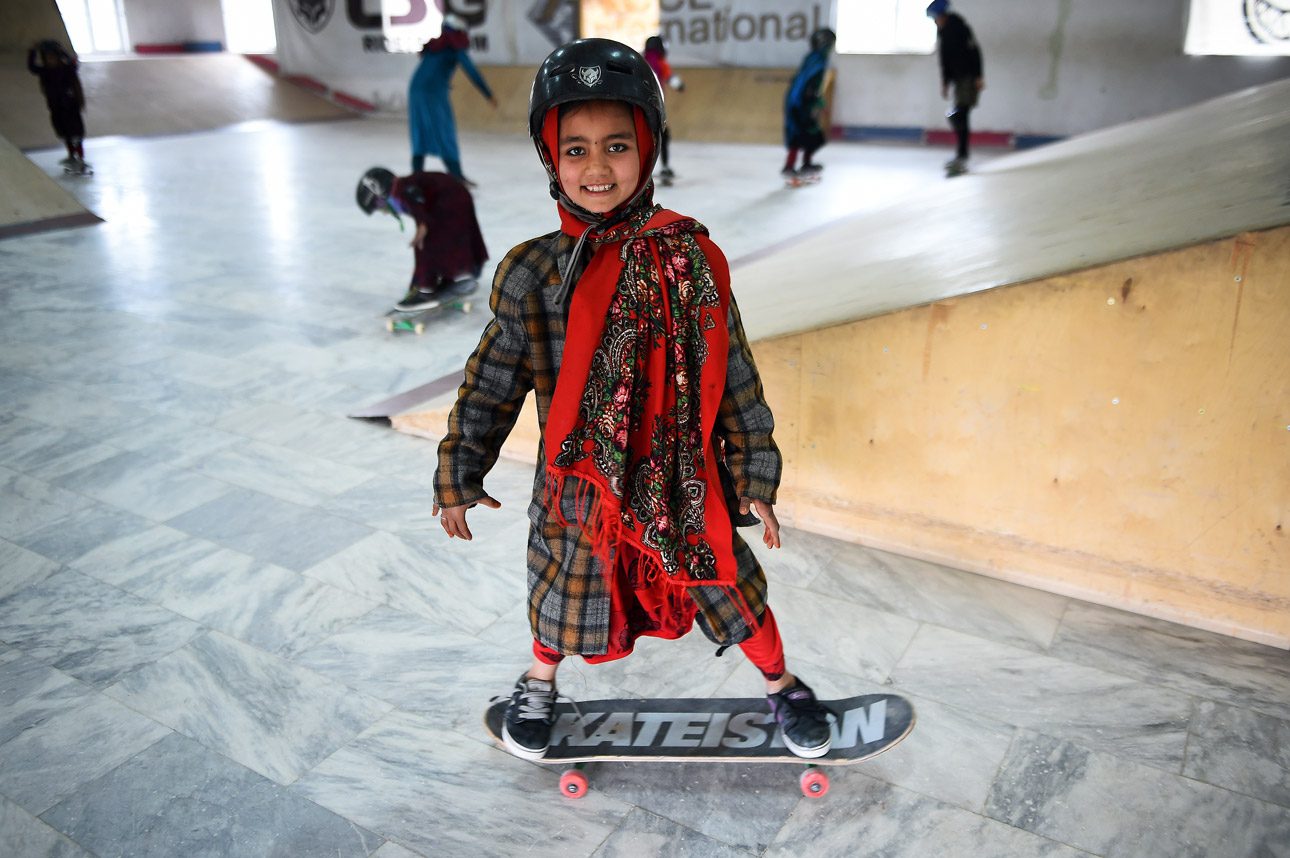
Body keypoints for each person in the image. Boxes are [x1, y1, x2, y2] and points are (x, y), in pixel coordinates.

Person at [432, 38, 834, 762]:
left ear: (647, 149)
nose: (597, 167)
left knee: (728, 585)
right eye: (576, 148)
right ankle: (538, 680)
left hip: (682, 479)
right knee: (563, 591)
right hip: (576, 488)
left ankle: (782, 684)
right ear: (550, 157)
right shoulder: (533, 272)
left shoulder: (688, 257)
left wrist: (755, 478)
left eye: (617, 146)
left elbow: (735, 376)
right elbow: (491, 381)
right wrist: (460, 471)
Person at [356, 167, 488, 311]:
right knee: (444, 240)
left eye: (378, 204)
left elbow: (419, 204)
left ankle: (425, 290)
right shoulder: (403, 186)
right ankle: (448, 277)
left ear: (383, 192)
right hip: (455, 195)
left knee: (425, 243)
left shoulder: (402, 189)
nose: (382, 210)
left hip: (450, 199)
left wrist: (422, 226)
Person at [407, 14, 497, 184]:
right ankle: (456, 175)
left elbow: (431, 71)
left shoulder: (435, 46)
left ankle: (416, 176)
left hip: (415, 90)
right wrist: (488, 94)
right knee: (445, 131)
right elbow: (471, 71)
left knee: (419, 132)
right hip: (433, 93)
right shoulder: (454, 46)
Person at [927, 0, 984, 175]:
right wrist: (945, 82)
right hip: (957, 80)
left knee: (960, 114)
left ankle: (962, 155)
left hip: (968, 77)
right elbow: (944, 60)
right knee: (959, 116)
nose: (935, 22)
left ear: (942, 15)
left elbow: (975, 51)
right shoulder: (942, 32)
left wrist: (979, 76)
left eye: (936, 18)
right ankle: (961, 155)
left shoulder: (960, 27)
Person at [27, 39, 90, 175]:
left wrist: (62, 51)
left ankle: (80, 156)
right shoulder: (45, 71)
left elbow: (74, 63)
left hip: (70, 106)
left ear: (58, 58)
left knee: (75, 132)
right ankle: (71, 155)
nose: (50, 61)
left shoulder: (66, 69)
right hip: (55, 106)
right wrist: (33, 51)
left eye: (53, 58)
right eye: (48, 58)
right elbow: (32, 68)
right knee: (64, 131)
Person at [781, 28, 835, 179]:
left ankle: (805, 163)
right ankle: (790, 167)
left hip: (797, 100)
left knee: (810, 135)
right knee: (802, 134)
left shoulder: (812, 57)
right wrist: (817, 104)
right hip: (800, 102)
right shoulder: (818, 60)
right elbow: (810, 86)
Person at [642, 35, 684, 185]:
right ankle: (665, 167)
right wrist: (680, 86)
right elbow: (672, 80)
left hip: (639, 107)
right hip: (655, 108)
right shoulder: (661, 63)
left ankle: (640, 170)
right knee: (663, 137)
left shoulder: (640, 61)